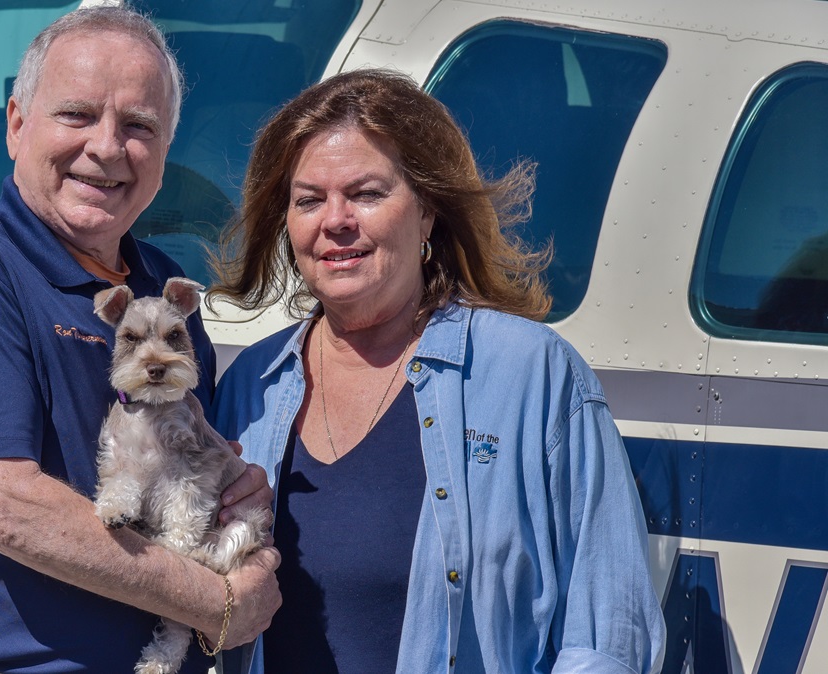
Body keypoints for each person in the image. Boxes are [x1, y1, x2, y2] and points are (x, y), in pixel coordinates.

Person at [207, 68, 665, 673]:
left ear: (427, 215)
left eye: (367, 193)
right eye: (308, 200)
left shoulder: (532, 375)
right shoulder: (249, 386)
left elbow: (609, 635)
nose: (335, 220)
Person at [0, 7, 280, 673]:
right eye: (76, 115)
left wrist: (240, 490)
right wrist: (214, 601)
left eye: (138, 127)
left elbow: (188, 453)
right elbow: (2, 506)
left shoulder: (163, 286)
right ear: (16, 125)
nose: (106, 147)